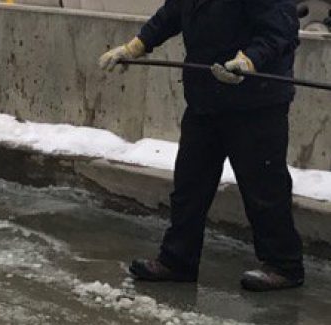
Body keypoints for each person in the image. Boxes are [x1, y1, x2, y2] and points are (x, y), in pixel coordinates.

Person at [99, 0, 304, 292]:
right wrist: (137, 45)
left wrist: (249, 61)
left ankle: (284, 265)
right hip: (205, 99)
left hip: (256, 103)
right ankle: (177, 260)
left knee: (264, 188)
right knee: (189, 185)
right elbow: (171, 14)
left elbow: (281, 31)